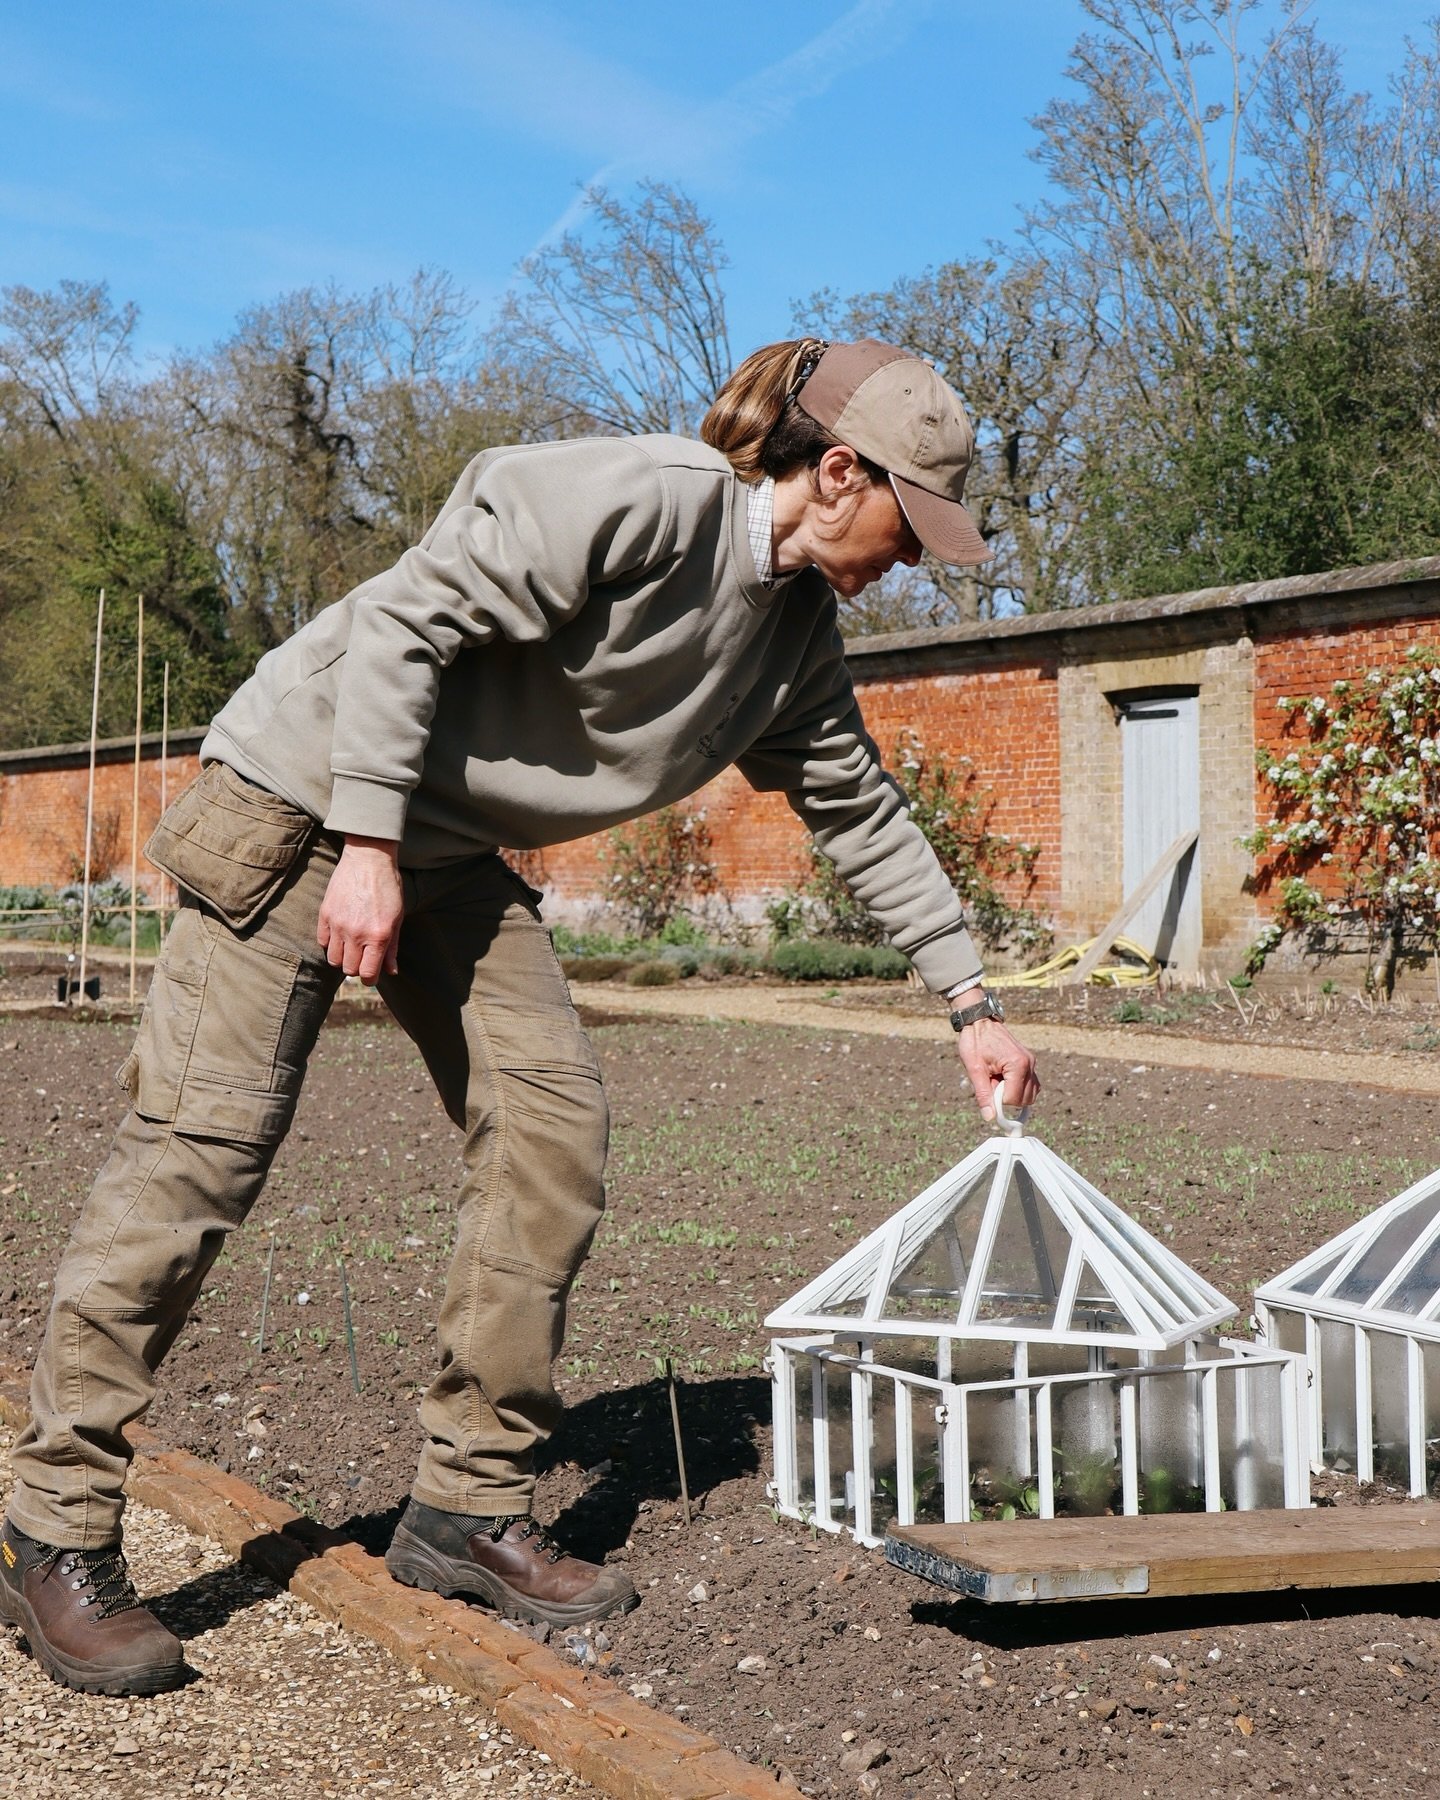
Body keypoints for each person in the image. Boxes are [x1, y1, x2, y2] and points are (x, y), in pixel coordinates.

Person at [0, 336, 1040, 1696]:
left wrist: (971, 1004)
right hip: (303, 799)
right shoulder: (641, 498)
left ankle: (461, 1511)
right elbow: (404, 622)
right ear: (838, 471)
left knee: (552, 1135)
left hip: (433, 850)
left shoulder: (794, 642)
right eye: (914, 526)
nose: (915, 562)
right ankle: (54, 1533)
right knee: (202, 1153)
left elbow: (860, 811)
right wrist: (364, 841)